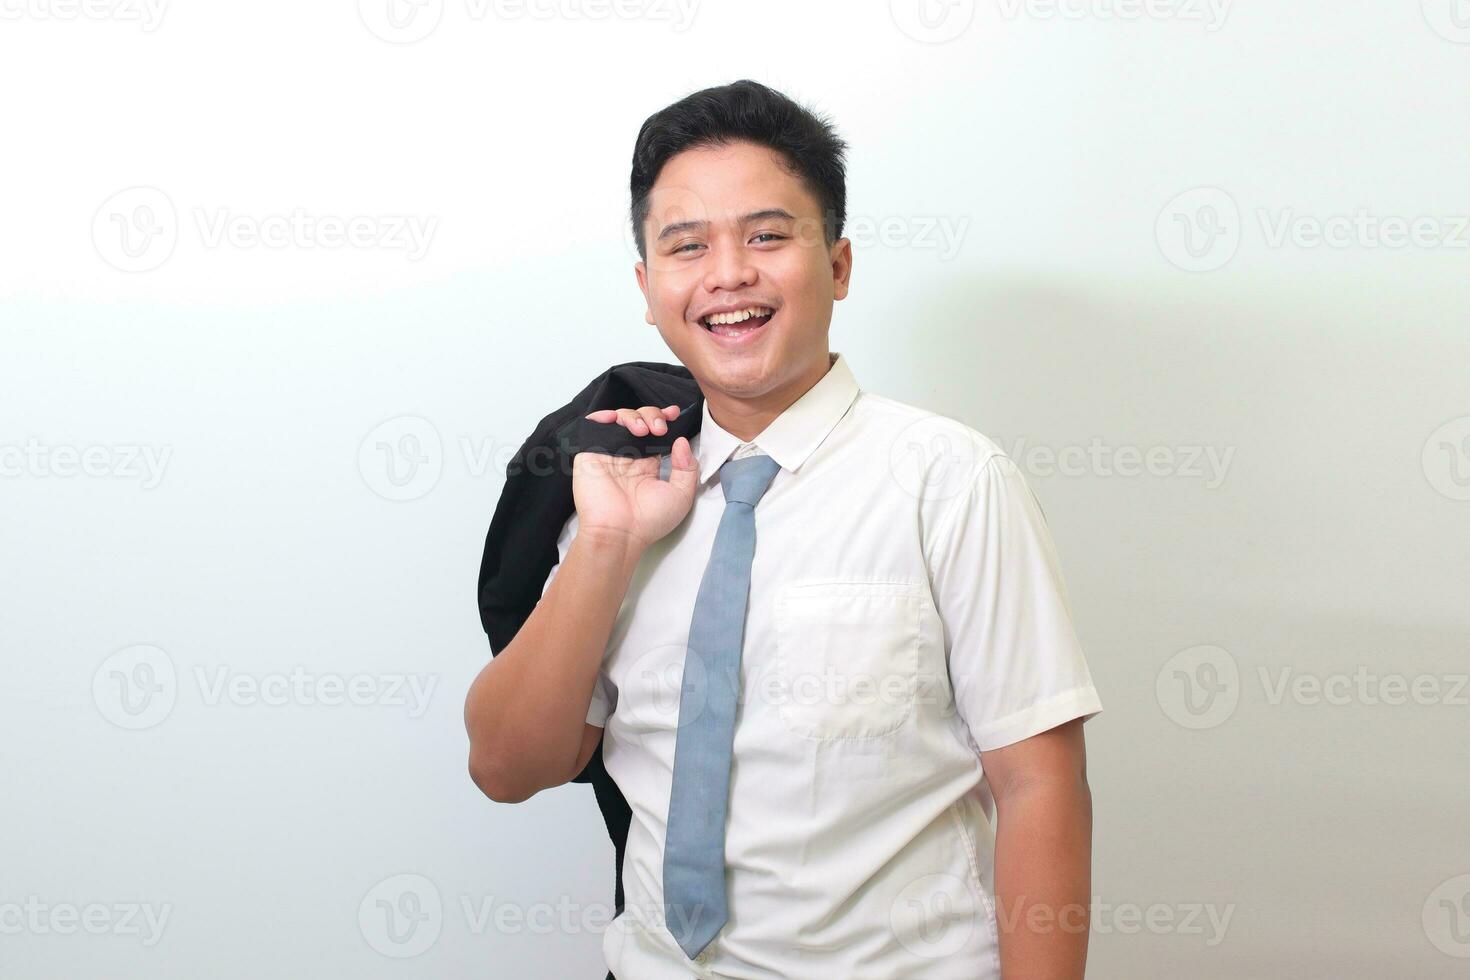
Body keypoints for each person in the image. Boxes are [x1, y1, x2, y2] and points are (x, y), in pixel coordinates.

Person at [465, 78, 1102, 979]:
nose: (729, 274)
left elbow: (1039, 785)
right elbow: (506, 766)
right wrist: (605, 542)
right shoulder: (623, 490)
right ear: (648, 290)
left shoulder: (950, 480)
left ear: (838, 265)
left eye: (766, 235)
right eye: (687, 247)